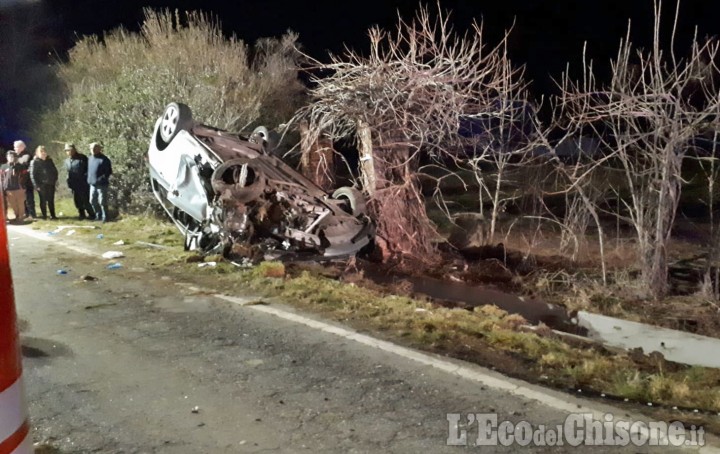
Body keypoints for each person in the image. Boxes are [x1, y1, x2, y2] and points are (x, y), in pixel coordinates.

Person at [64, 143, 95, 220]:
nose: (69, 152)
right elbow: (68, 172)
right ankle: (81, 214)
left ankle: (92, 214)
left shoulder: (82, 158)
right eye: (67, 150)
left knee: (86, 200)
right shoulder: (67, 161)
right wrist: (68, 181)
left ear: (74, 150)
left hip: (83, 183)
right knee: (77, 200)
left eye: (70, 150)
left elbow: (88, 169)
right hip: (74, 184)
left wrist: (85, 178)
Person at [29, 145, 59, 220]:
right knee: (43, 201)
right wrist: (36, 186)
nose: (43, 153)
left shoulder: (49, 161)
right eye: (41, 152)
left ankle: (53, 215)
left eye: (44, 151)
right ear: (37, 153)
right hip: (41, 184)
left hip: (50, 184)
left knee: (51, 200)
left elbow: (54, 171)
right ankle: (44, 216)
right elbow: (32, 175)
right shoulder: (34, 162)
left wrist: (54, 180)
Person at [0, 151, 28, 223]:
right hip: (8, 188)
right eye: (9, 156)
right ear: (7, 157)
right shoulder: (3, 166)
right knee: (13, 204)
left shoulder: (20, 166)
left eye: (12, 156)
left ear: (15, 157)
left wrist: (23, 185)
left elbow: (25, 176)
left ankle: (20, 217)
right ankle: (17, 215)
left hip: (19, 188)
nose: (11, 158)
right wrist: (3, 187)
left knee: (20, 203)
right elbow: (2, 177)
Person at [87, 142, 112, 222]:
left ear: (99, 149)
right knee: (92, 201)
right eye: (91, 149)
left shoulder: (104, 159)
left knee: (102, 201)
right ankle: (98, 215)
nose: (93, 150)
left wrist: (101, 179)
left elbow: (108, 172)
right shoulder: (90, 158)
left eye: (95, 148)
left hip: (102, 184)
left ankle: (105, 217)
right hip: (92, 184)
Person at [13, 140, 36, 220]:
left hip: (27, 180)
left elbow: (24, 165)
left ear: (21, 147)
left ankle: (32, 215)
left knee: (29, 198)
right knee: (23, 199)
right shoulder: (18, 156)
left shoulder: (26, 155)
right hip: (21, 181)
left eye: (16, 147)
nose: (14, 148)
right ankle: (27, 214)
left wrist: (16, 163)